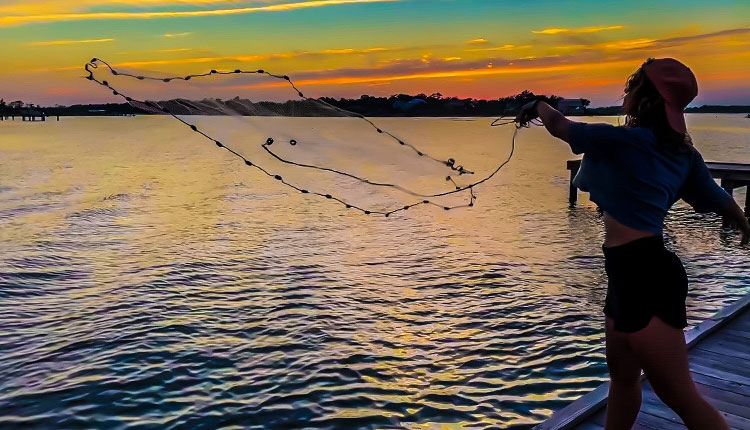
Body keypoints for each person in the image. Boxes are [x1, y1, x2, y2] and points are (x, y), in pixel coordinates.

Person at [516, 58, 749, 430]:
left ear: (642, 97)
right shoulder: (683, 154)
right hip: (627, 274)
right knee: (623, 380)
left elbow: (560, 126)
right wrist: (744, 226)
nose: (627, 91)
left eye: (633, 85)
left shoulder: (618, 139)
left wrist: (536, 105)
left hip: (646, 277)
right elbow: (721, 201)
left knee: (679, 396)